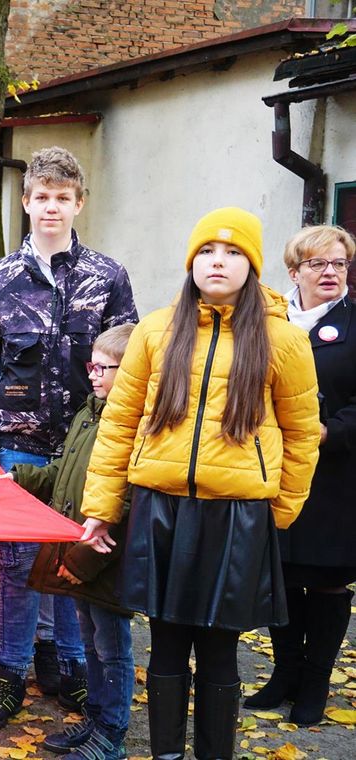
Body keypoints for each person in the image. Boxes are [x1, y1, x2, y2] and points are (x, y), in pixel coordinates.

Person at [82, 207, 320, 759]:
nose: (219, 261)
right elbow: (118, 423)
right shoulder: (157, 330)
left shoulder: (283, 341)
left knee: (218, 649)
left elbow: (303, 435)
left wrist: (276, 516)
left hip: (238, 517)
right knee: (164, 642)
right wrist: (101, 506)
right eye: (208, 251)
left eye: (234, 252)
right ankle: (166, 753)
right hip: (159, 510)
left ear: (253, 266)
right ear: (191, 262)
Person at [0, 147, 137, 731]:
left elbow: (130, 360)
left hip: (86, 445)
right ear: (27, 203)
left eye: (63, 197)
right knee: (14, 562)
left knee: (76, 561)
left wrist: (120, 435)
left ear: (79, 202)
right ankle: (10, 673)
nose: (51, 207)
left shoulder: (107, 276)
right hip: (18, 440)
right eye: (42, 197)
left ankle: (70, 665)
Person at [5, 323, 138, 760]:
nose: (94, 374)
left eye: (105, 367)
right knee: (90, 643)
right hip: (78, 549)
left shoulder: (135, 424)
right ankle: (96, 718)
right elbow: (64, 476)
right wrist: (18, 479)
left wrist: (84, 558)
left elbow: (125, 504)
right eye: (91, 365)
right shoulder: (89, 413)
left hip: (106, 560)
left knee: (112, 648)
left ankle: (112, 734)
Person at [244, 224, 356, 726]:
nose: (330, 272)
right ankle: (283, 675)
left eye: (338, 263)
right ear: (295, 272)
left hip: (335, 478)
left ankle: (315, 685)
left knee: (328, 581)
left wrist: (328, 433)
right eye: (317, 264)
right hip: (274, 470)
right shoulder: (268, 321)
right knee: (281, 576)